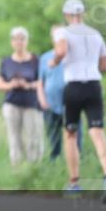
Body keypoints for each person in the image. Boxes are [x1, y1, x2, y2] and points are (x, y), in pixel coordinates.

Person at [49, 0, 106, 196]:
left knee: (70, 134)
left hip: (74, 86)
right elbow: (105, 66)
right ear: (83, 13)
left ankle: (74, 181)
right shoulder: (95, 34)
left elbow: (61, 49)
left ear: (67, 15)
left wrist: (55, 61)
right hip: (93, 85)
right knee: (97, 132)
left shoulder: (62, 31)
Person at [0, 27, 44, 165]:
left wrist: (28, 85)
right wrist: (11, 84)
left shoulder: (36, 60)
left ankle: (34, 167)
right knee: (14, 138)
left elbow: (43, 82)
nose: (19, 42)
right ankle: (17, 169)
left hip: (32, 103)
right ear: (12, 42)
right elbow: (0, 83)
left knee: (33, 138)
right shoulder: (6, 62)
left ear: (27, 41)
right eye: (16, 39)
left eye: (22, 39)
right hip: (12, 103)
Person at [38, 27, 83, 161]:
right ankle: (55, 160)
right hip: (51, 102)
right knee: (53, 134)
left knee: (75, 132)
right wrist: (42, 100)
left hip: (71, 101)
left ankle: (78, 159)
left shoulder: (74, 56)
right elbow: (40, 82)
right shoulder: (45, 57)